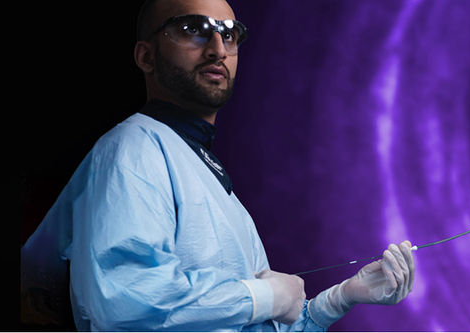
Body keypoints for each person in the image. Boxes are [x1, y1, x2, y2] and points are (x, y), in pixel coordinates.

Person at [21, 0, 417, 330]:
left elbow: (245, 324)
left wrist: (338, 299)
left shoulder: (212, 184)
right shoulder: (131, 149)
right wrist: (262, 296)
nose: (217, 48)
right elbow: (124, 302)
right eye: (193, 28)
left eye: (229, 34)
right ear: (146, 56)